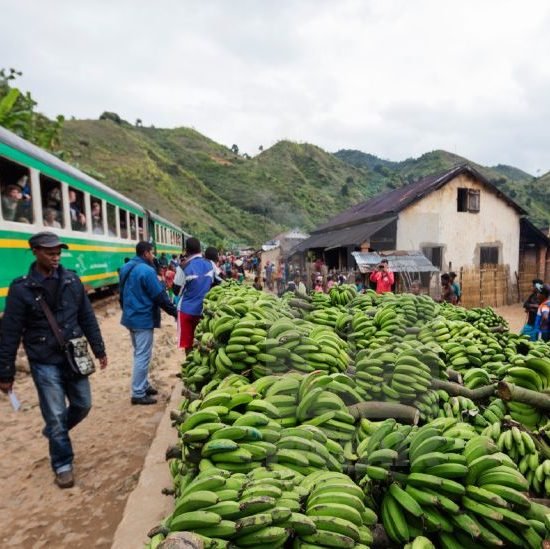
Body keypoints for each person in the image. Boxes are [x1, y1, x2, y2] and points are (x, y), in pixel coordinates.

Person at [0, 232, 108, 489]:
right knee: (56, 414)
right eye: (50, 252)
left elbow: (87, 317)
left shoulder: (71, 279)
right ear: (35, 251)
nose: (55, 256)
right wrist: (5, 372)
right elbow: (10, 333)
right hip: (43, 360)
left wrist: (99, 348)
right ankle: (62, 463)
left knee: (83, 404)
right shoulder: (21, 289)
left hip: (75, 354)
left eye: (58, 252)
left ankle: (54, 432)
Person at [119, 241, 177, 405]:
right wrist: (174, 313)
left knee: (139, 353)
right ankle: (138, 393)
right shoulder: (146, 271)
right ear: (145, 253)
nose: (154, 256)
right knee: (142, 356)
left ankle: (143, 385)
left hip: (130, 316)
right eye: (152, 253)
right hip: (142, 318)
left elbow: (121, 292)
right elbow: (159, 296)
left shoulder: (127, 267)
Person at [174, 238, 214, 353]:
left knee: (188, 345)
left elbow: (176, 291)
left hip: (186, 312)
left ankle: (191, 366)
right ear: (200, 249)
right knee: (204, 341)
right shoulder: (210, 264)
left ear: (186, 251)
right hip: (204, 311)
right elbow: (219, 281)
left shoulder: (183, 267)